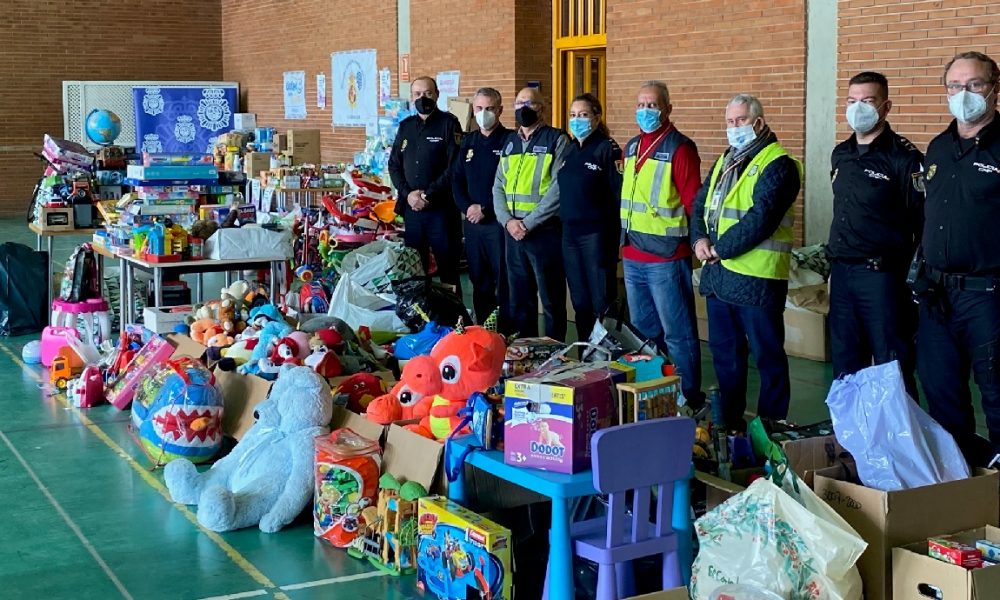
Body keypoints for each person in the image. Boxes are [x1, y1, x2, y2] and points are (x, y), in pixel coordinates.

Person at [691, 94, 802, 431]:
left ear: (758, 122)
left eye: (740, 120)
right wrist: (698, 239)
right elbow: (701, 203)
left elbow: (761, 218)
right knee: (726, 357)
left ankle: (771, 428)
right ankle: (730, 424)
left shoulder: (779, 164)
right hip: (720, 278)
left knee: (768, 358)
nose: (734, 127)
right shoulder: (726, 159)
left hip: (757, 281)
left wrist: (719, 248)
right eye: (730, 121)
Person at [915, 51, 1000, 465]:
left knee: (996, 393)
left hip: (989, 296)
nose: (963, 93)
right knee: (941, 392)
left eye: (974, 85)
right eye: (954, 86)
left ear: (994, 89)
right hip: (937, 295)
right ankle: (960, 480)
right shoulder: (938, 148)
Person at [827, 71, 924, 399]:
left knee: (891, 365)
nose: (858, 108)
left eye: (867, 101)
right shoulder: (841, 153)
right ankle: (850, 430)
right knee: (845, 365)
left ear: (886, 106)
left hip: (882, 278)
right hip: (842, 273)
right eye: (852, 101)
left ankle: (899, 431)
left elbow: (922, 221)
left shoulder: (904, 158)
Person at [620, 81, 705, 408]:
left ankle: (688, 399)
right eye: (640, 105)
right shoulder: (631, 148)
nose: (645, 111)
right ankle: (654, 396)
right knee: (644, 336)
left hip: (666, 259)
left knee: (678, 334)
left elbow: (693, 204)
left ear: (667, 109)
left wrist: (698, 241)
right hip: (633, 256)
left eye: (652, 105)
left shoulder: (680, 149)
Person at [493, 87, 571, 340]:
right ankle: (525, 350)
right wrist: (507, 221)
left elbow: (559, 189)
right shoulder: (510, 142)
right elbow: (498, 186)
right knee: (520, 300)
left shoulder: (557, 140)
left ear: (542, 108)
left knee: (551, 300)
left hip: (543, 232)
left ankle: (555, 352)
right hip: (513, 233)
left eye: (530, 103)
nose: (523, 108)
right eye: (519, 103)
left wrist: (527, 223)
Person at [557, 93, 623, 342]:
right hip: (570, 234)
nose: (577, 120)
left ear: (596, 118)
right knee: (580, 301)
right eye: (573, 115)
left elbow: (617, 195)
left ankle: (605, 354)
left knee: (601, 301)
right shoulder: (571, 149)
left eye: (583, 115)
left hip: (596, 235)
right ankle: (586, 351)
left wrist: (617, 239)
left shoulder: (607, 149)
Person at [388, 76, 463, 290]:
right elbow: (394, 165)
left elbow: (454, 167)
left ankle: (452, 311)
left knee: (448, 271)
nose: (423, 98)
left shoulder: (449, 124)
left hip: (441, 211)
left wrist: (427, 195)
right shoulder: (406, 127)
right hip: (412, 211)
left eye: (428, 93)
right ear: (412, 97)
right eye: (418, 94)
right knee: (415, 272)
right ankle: (421, 312)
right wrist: (408, 194)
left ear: (437, 95)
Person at [452, 87, 512, 329]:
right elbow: (457, 179)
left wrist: (485, 208)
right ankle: (483, 332)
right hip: (473, 225)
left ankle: (506, 334)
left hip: (498, 224)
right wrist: (467, 208)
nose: (483, 113)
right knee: (479, 281)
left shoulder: (510, 141)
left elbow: (510, 184)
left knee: (504, 281)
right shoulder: (468, 142)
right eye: (479, 108)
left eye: (489, 108)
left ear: (500, 110)